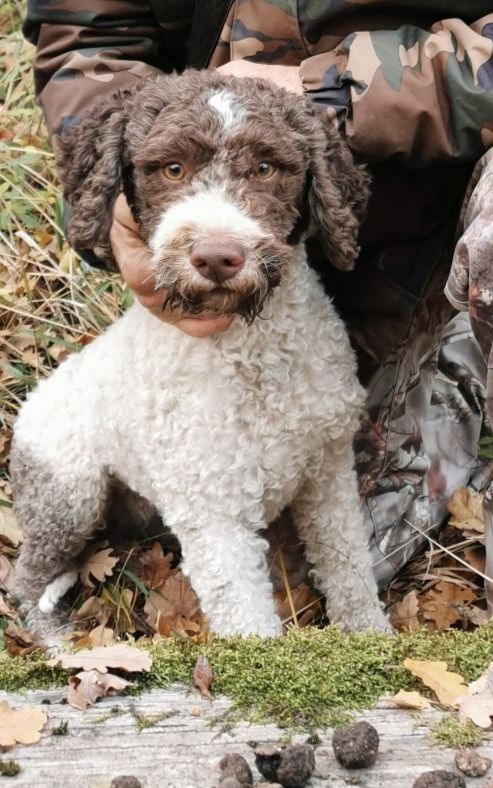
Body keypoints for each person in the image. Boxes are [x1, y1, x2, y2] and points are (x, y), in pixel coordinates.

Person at [23, 1, 493, 603]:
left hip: (438, 209)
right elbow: (90, 30)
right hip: (235, 232)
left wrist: (341, 93)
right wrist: (124, 201)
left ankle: (462, 348)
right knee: (280, 587)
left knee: (338, 562)